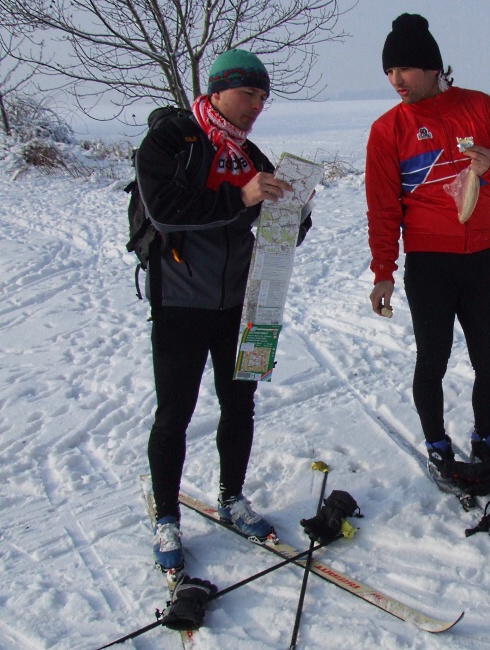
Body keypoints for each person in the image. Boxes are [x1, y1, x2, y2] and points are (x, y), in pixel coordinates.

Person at [136, 49, 303, 572]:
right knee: (174, 415)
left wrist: (294, 212)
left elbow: (280, 232)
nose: (256, 105)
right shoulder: (170, 140)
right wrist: (242, 196)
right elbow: (166, 211)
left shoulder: (250, 152)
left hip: (244, 304)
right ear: (217, 89)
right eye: (248, 93)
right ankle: (167, 517)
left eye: (262, 97)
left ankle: (232, 497)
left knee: (240, 406)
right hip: (181, 300)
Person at [365, 14, 490, 494]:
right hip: (428, 262)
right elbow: (382, 209)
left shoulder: (481, 109)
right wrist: (383, 272)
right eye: (389, 72)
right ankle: (437, 446)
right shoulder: (387, 130)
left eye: (405, 70)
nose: (396, 81)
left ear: (434, 67)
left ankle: (485, 442)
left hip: (481, 257)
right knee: (431, 360)